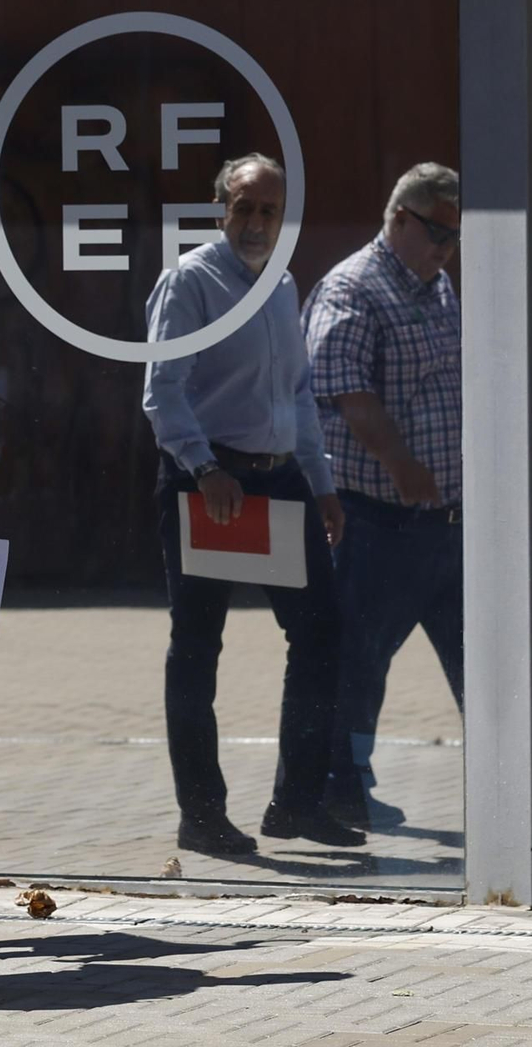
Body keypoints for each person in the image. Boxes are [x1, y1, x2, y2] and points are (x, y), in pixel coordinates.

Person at [303, 162, 532, 830]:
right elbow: (345, 391)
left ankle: (518, 780)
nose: (445, 248)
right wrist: (399, 459)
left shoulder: (438, 287)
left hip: (449, 521)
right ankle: (342, 787)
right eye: (436, 232)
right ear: (398, 217)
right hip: (378, 519)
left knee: (487, 654)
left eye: (454, 237)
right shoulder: (353, 288)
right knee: (360, 663)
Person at [143, 153, 364, 857]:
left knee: (321, 631)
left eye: (270, 209)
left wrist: (321, 483)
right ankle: (201, 815)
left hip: (276, 480)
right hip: (208, 483)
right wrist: (203, 466)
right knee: (198, 647)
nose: (257, 221)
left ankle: (296, 804)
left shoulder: (280, 283)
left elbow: (296, 394)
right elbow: (163, 391)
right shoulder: (190, 281)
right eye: (245, 206)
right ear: (219, 209)